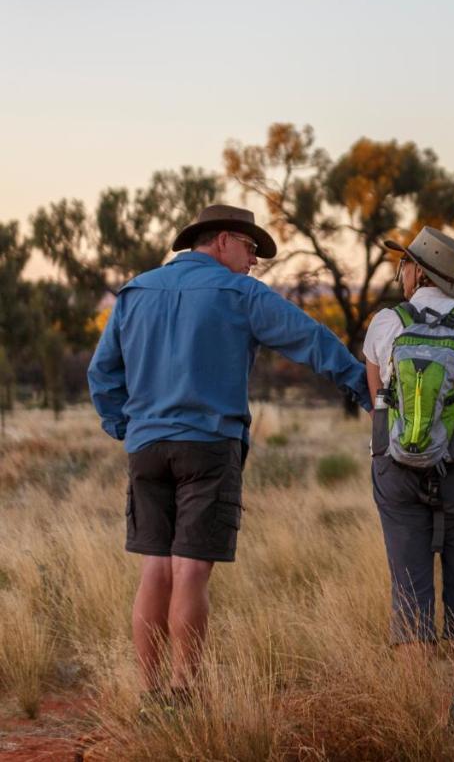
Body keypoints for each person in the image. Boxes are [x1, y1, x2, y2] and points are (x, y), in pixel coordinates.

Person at [87, 203, 372, 707]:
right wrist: (364, 389)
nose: (254, 261)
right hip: (208, 447)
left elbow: (102, 372)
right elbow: (309, 339)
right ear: (221, 240)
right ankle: (182, 692)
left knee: (155, 569)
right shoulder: (239, 293)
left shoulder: (134, 292)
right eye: (249, 248)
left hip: (147, 448)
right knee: (191, 572)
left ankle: (150, 694)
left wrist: (125, 427)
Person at [362, 225, 454, 718]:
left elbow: (381, 405)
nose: (399, 271)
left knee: (410, 589)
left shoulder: (384, 324)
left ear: (416, 270)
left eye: (402, 264)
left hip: (397, 470)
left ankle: (417, 712)